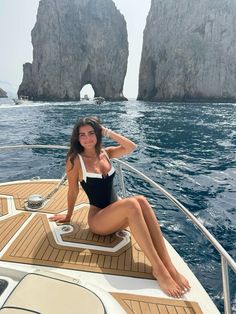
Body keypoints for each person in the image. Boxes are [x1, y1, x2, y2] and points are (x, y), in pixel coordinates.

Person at [49, 116, 190, 297]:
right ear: (77, 138)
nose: (87, 138)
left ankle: (169, 266)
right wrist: (68, 216)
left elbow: (131, 147)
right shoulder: (75, 160)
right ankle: (160, 271)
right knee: (132, 203)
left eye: (91, 133)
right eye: (82, 135)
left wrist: (106, 131)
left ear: (98, 133)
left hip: (117, 214)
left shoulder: (106, 152)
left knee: (141, 200)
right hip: (98, 219)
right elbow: (72, 191)